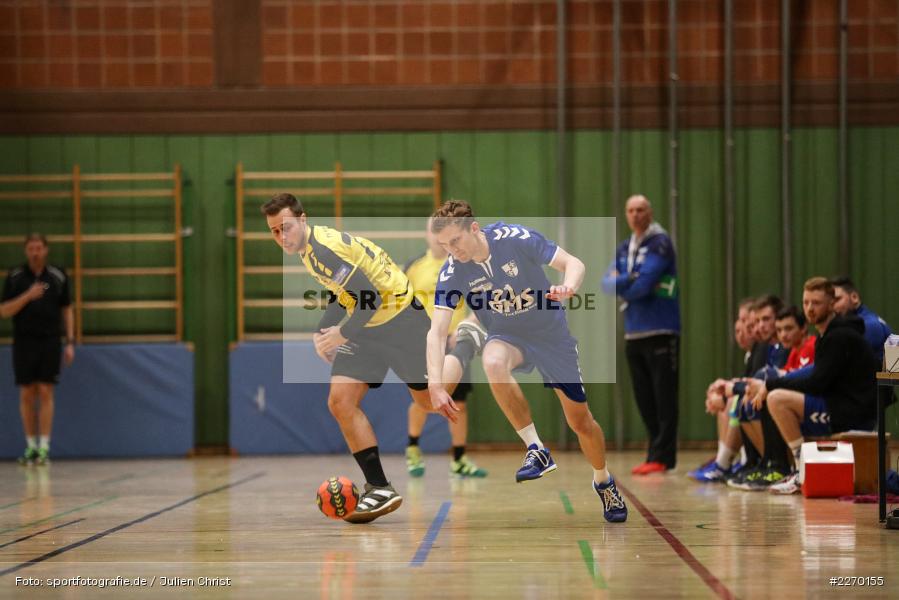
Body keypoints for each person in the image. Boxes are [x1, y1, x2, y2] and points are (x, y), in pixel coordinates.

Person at [425, 200, 627, 523]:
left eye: (455, 241)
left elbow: (573, 263)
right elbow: (436, 332)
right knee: (492, 361)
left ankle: (603, 480)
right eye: (444, 245)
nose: (452, 251)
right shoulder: (453, 270)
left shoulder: (514, 238)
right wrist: (434, 384)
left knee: (581, 422)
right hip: (507, 335)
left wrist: (569, 287)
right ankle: (536, 449)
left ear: (473, 229)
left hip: (550, 335)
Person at [262, 193, 451, 524]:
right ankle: (379, 487)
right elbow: (347, 294)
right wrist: (324, 328)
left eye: (286, 227)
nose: (282, 237)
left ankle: (459, 355)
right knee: (340, 402)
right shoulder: (309, 250)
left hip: (401, 320)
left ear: (302, 220)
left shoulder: (322, 250)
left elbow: (371, 298)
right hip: (368, 327)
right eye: (275, 231)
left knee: (426, 403)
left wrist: (341, 334)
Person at [746, 277, 878, 495]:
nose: (810, 308)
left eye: (816, 303)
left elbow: (817, 382)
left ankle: (800, 471)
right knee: (774, 396)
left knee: (777, 399)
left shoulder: (839, 336)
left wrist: (771, 384)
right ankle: (779, 465)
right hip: (839, 404)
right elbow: (815, 374)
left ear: (831, 303)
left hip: (851, 413)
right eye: (806, 302)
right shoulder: (829, 334)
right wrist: (772, 382)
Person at [601, 194, 680, 475]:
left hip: (660, 329)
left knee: (664, 397)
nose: (635, 215)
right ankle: (653, 453)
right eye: (630, 210)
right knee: (644, 397)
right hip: (634, 332)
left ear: (650, 212)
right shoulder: (625, 247)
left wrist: (626, 283)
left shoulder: (660, 243)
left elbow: (645, 284)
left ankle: (664, 456)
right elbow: (605, 284)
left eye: (641, 210)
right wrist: (628, 279)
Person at [404, 219, 488, 479]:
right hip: (424, 344)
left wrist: (467, 324)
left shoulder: (464, 264)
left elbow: (481, 297)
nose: (437, 236)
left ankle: (459, 458)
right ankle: (413, 448)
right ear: (427, 234)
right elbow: (401, 303)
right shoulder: (414, 267)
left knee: (459, 401)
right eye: (432, 230)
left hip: (457, 343)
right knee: (423, 398)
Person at [1, 233, 75, 465]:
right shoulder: (15, 277)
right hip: (24, 341)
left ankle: (44, 446)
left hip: (50, 340)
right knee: (26, 392)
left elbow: (67, 309)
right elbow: (4, 311)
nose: (35, 252)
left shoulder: (58, 275)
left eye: (39, 248)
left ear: (46, 250)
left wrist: (70, 341)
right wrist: (28, 296)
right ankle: (30, 445)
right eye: (31, 248)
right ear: (26, 250)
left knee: (45, 391)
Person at [830, 276, 892, 364]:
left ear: (854, 297)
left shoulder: (870, 325)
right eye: (830, 302)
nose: (833, 307)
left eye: (837, 299)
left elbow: (836, 364)